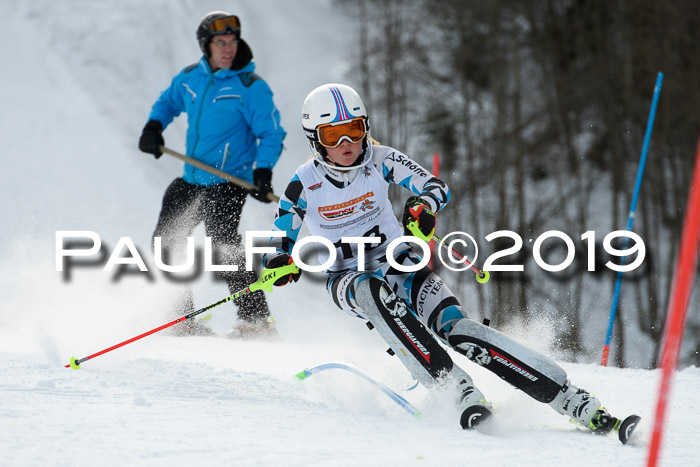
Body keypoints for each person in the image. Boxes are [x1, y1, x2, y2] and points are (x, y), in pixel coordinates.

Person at [262, 83, 634, 434]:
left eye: (355, 129)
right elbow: (282, 232)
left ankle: (569, 398)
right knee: (370, 289)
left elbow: (435, 186)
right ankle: (455, 389)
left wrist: (423, 206)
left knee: (457, 330)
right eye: (333, 135)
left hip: (400, 263)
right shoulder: (304, 182)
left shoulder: (380, 159)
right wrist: (280, 260)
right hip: (347, 278)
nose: (347, 143)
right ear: (315, 140)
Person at [138, 11, 286, 337]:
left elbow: (272, 133)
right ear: (206, 45)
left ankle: (256, 321)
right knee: (166, 242)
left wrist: (262, 172)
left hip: (228, 183)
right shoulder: (191, 77)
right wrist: (154, 126)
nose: (228, 48)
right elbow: (167, 102)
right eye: (220, 42)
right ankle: (183, 319)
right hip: (191, 179)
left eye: (232, 41)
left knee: (223, 247)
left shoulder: (251, 86)